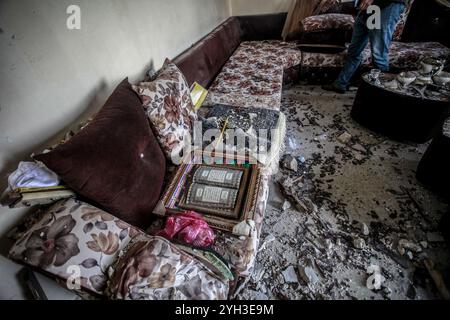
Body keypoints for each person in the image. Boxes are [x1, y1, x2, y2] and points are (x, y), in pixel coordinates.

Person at [322, 0, 407, 93]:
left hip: (387, 5)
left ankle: (382, 93)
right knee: (354, 50)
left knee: (378, 56)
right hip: (370, 8)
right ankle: (340, 83)